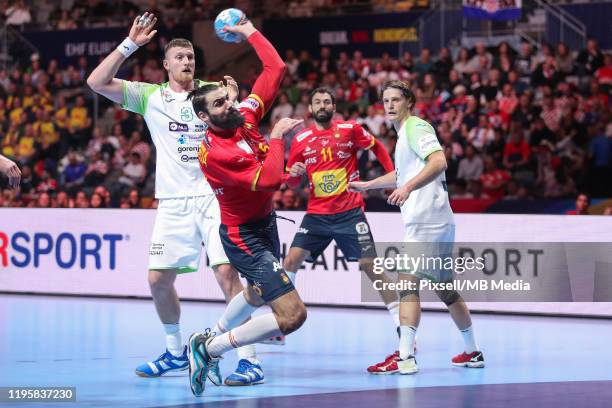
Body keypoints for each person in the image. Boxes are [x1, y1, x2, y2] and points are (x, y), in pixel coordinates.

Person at [86, 12, 260, 384]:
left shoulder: (211, 92)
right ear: (165, 65)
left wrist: (232, 101)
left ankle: (248, 359)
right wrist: (129, 44)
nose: (187, 62)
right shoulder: (150, 96)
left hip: (214, 196)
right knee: (157, 280)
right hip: (173, 201)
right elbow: (96, 81)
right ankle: (175, 352)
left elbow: (239, 127)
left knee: (227, 273)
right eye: (179, 58)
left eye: (191, 58)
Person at [187, 19, 306, 397]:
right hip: (242, 236)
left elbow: (277, 69)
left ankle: (212, 335)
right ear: (205, 117)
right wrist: (276, 137)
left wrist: (249, 30)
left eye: (229, 96)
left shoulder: (244, 116)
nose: (231, 102)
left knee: (256, 292)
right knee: (292, 316)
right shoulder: (216, 153)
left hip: (263, 223)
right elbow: (268, 179)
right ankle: (210, 348)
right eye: (221, 102)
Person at [349, 80, 484, 374]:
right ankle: (473, 351)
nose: (390, 106)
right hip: (439, 219)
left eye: (396, 100)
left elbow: (439, 161)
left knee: (407, 284)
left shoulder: (416, 127)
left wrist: (408, 187)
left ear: (409, 102)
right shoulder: (403, 136)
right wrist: (369, 185)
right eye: (385, 101)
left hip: (427, 219)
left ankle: (405, 357)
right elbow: (401, 173)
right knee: (445, 289)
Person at [283, 87, 401, 345]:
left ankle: (403, 327)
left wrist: (393, 175)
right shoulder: (300, 139)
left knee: (371, 266)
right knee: (290, 262)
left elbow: (378, 147)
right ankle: (282, 320)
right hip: (316, 215)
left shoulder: (350, 129)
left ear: (334, 108)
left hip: (349, 213)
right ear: (311, 109)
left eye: (327, 101)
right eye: (317, 102)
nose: (323, 105)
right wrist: (293, 173)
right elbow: (291, 183)